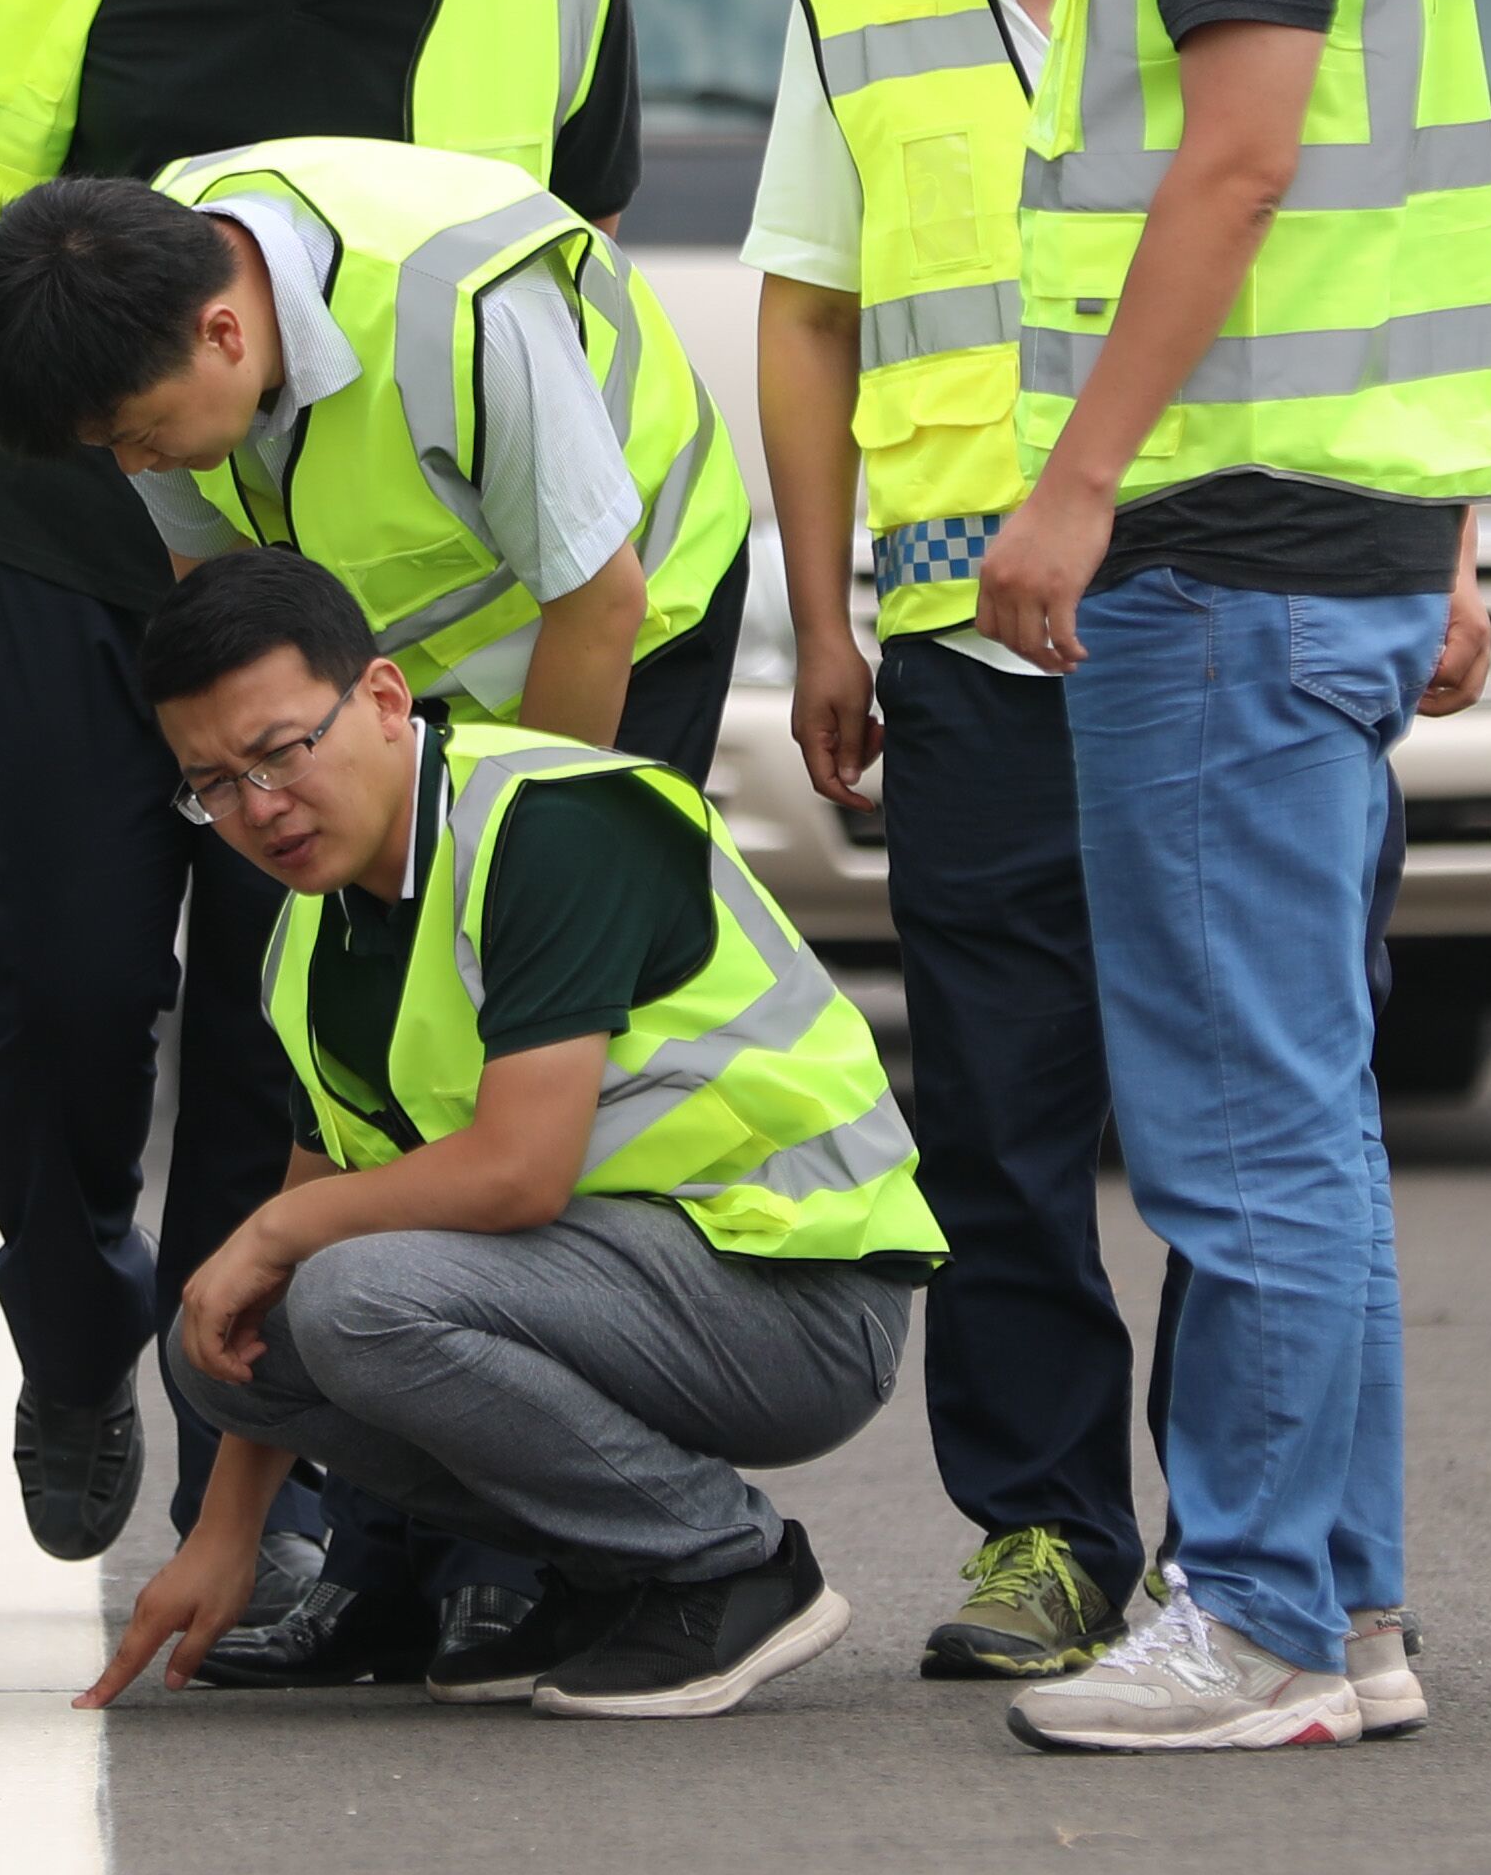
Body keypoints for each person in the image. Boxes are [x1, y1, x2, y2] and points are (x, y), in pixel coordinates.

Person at [875, 0, 1491, 1757]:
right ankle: (1334, 1604)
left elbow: (1237, 171)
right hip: (1326, 527)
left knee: (1240, 1126)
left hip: (1229, 552)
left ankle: (1249, 1605)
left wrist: (1072, 488)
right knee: (1304, 1107)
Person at [0, 0, 641, 1588]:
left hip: (338, 621)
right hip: (77, 541)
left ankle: (255, 1476)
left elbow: (558, 265)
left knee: (280, 1026)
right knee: (59, 984)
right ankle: (75, 1331)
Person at [82, 553, 929, 1726]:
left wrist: (272, 1231)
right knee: (226, 1339)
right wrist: (229, 1534)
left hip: (801, 1291)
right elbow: (317, 1193)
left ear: (384, 699)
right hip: (626, 1286)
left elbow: (518, 1174)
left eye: (282, 752)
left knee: (346, 1296)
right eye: (214, 785)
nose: (259, 807)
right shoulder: (308, 944)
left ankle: (728, 1566)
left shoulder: (552, 820)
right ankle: (613, 1574)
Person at [752, 0, 1153, 1685]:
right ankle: (1047, 1532)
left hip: (1201, 606)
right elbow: (809, 315)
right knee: (999, 1112)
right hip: (963, 637)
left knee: (1247, 1106)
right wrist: (822, 611)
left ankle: (1282, 1540)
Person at [0, 134, 748, 772]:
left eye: (138, 435)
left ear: (223, 335)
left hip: (634, 610)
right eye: (108, 448)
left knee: (569, 913)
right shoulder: (143, 316)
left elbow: (599, 606)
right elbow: (230, 603)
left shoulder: (467, 317)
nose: (134, 466)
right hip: (415, 683)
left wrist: (527, 843)